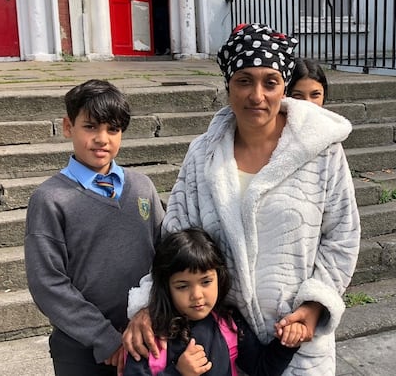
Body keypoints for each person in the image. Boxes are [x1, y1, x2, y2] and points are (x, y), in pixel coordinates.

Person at [124, 23, 361, 375]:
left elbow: (342, 234)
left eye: (270, 82)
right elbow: (175, 236)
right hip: (221, 341)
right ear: (228, 85)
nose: (257, 95)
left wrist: (314, 307)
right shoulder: (203, 156)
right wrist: (148, 304)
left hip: (297, 339)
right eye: (244, 80)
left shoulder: (322, 153)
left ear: (283, 86)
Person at [24, 79, 164, 375]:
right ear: (67, 126)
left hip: (145, 338)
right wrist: (105, 338)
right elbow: (47, 282)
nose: (102, 139)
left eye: (112, 129)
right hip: (81, 348)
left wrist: (152, 312)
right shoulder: (50, 199)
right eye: (90, 127)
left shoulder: (142, 187)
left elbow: (165, 256)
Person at [123, 228, 303, 375]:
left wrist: (287, 342)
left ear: (220, 277)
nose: (197, 295)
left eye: (206, 282)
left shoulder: (229, 322)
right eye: (183, 286)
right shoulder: (149, 336)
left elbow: (261, 369)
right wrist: (178, 373)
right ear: (165, 287)